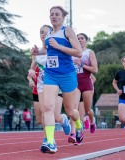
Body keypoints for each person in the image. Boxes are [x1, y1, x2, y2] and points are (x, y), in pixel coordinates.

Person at [40, 6, 83, 154]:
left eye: (57, 14)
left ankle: (78, 125)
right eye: (51, 14)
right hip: (50, 74)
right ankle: (51, 142)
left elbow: (78, 52)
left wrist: (59, 46)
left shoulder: (67, 31)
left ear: (63, 17)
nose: (54, 17)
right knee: (47, 107)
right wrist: (37, 51)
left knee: (70, 110)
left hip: (67, 75)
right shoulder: (48, 33)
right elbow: (47, 50)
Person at [28, 25, 71, 145]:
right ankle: (48, 139)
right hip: (42, 86)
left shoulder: (57, 49)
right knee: (44, 114)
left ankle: (63, 120)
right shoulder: (36, 52)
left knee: (56, 116)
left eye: (46, 32)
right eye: (41, 32)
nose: (43, 34)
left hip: (56, 84)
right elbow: (32, 69)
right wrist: (31, 75)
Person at [68, 33, 98, 145]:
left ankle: (92, 120)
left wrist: (82, 65)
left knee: (88, 110)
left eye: (82, 38)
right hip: (74, 84)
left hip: (86, 83)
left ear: (86, 40)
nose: (80, 40)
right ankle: (74, 133)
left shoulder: (89, 52)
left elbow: (95, 70)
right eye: (78, 38)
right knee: (73, 108)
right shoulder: (72, 53)